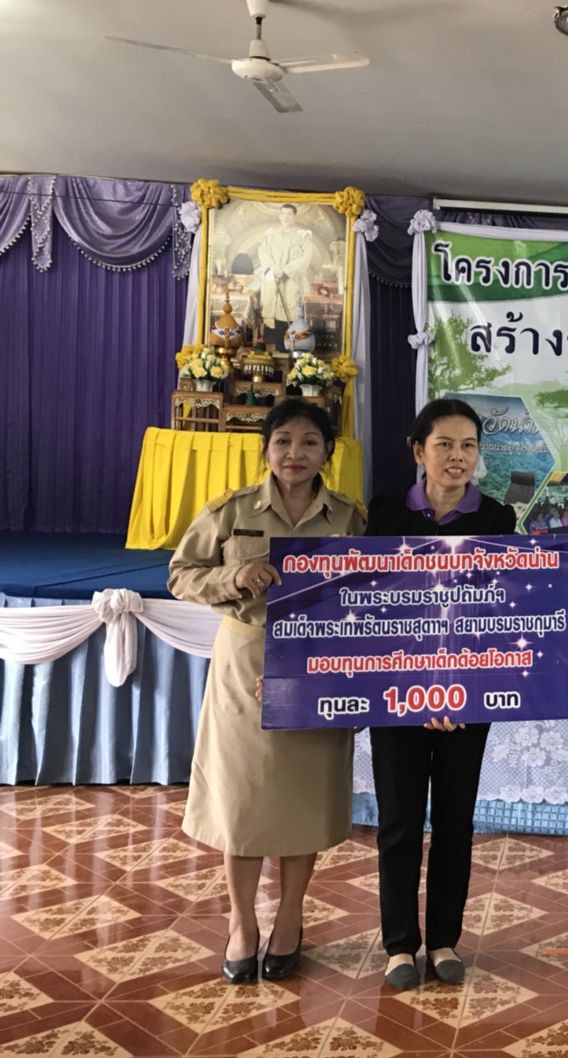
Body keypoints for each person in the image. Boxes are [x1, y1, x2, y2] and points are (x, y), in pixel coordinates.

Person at [168, 399, 366, 984]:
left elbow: (373, 594)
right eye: (282, 441)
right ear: (266, 449)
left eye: (309, 442)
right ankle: (241, 924)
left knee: (302, 802)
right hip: (245, 666)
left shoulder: (350, 518)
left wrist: (355, 677)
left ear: (328, 451)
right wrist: (233, 576)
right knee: (242, 804)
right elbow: (180, 574)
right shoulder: (232, 511)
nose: (295, 454)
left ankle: (290, 919)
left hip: (318, 667)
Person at [366, 399, 517, 991]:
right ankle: (400, 945)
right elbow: (368, 611)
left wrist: (462, 692)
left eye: (468, 447)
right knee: (400, 822)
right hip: (397, 699)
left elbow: (504, 614)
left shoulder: (499, 521)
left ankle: (445, 941)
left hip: (467, 702)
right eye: (445, 445)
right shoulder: (381, 515)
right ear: (417, 450)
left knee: (455, 823)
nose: (458, 458)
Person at [258, 203, 313, 341]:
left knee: (291, 311)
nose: (285, 217)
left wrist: (286, 271)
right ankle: (277, 346)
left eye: (289, 214)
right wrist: (273, 267)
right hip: (275, 277)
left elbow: (305, 257)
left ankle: (292, 348)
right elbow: (263, 251)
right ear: (279, 216)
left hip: (292, 280)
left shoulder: (302, 236)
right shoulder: (271, 235)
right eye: (283, 214)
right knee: (275, 311)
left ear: (295, 216)